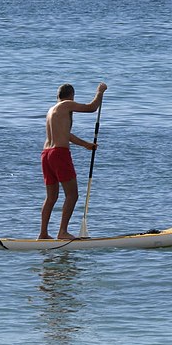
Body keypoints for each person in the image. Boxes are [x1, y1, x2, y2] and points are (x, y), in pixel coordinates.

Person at [39, 82, 107, 240]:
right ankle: (62, 232)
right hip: (59, 154)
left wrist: (85, 145)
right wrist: (100, 92)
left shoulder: (51, 111)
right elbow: (92, 107)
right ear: (71, 95)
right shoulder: (66, 105)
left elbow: (65, 135)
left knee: (51, 197)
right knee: (72, 195)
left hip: (46, 154)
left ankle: (43, 233)